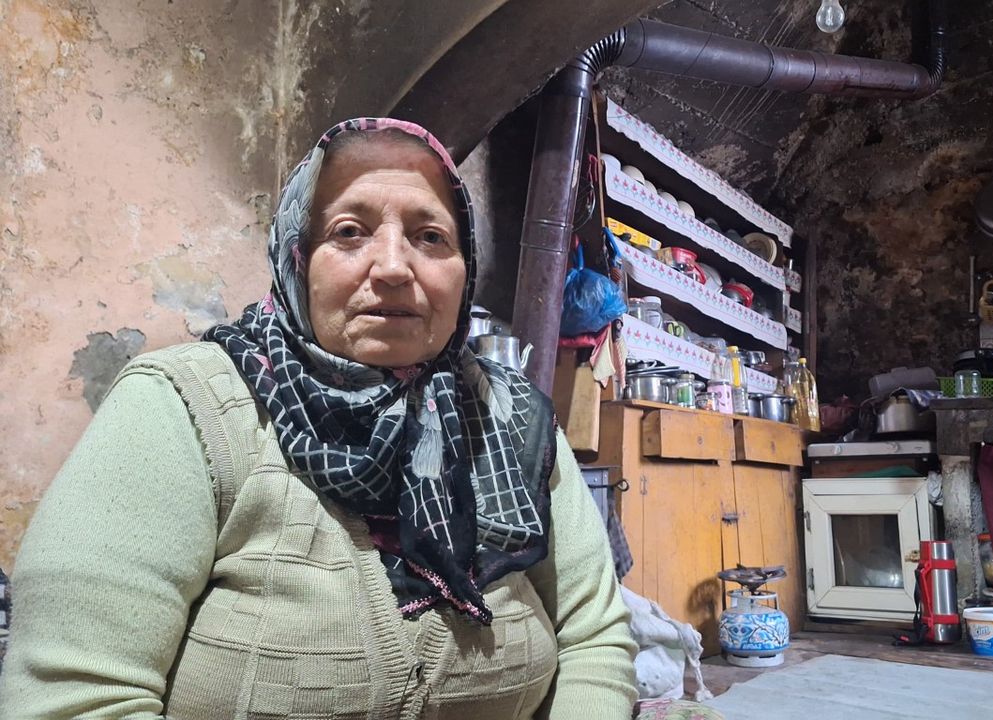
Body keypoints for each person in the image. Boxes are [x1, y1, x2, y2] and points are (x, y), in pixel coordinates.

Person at [0, 117, 638, 718]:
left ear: (463, 270)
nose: (394, 267)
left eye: (431, 237)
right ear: (298, 259)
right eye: (350, 232)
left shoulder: (512, 419)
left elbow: (593, 637)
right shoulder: (183, 410)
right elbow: (79, 697)